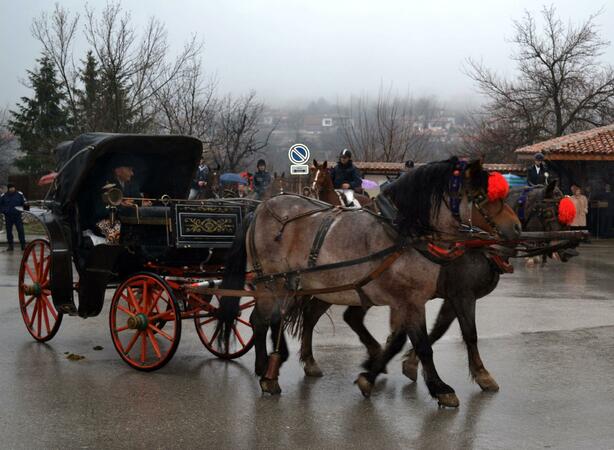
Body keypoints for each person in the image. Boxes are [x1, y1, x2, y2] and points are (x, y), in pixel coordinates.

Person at [0, 183, 27, 251]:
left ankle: (23, 245)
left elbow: (25, 203)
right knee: (9, 232)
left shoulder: (20, 194)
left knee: (21, 231)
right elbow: (0, 205)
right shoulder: (4, 196)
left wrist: (24, 210)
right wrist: (5, 211)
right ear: (8, 189)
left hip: (17, 216)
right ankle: (10, 246)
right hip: (8, 216)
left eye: (13, 187)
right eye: (10, 188)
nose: (12, 189)